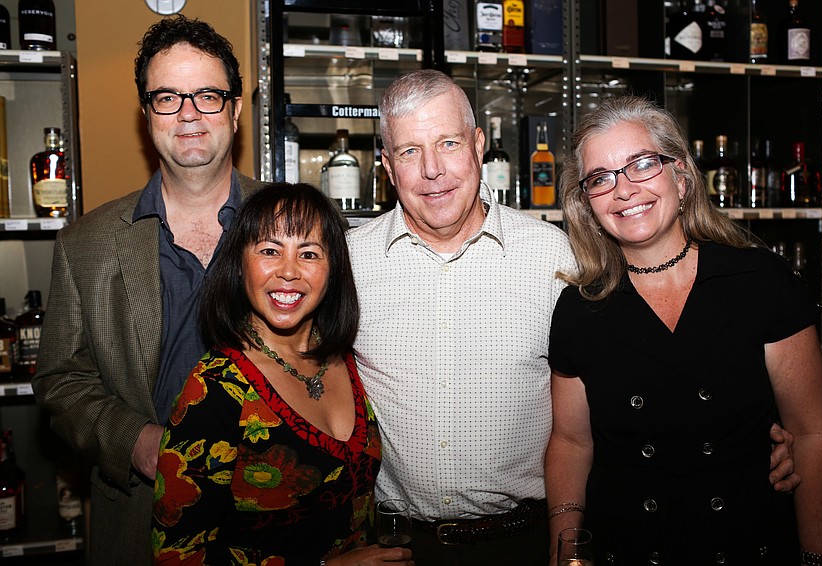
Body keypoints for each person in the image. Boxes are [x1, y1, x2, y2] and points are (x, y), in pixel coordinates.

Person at [545, 95, 822, 565]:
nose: (623, 190)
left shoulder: (758, 280)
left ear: (680, 177)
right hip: (632, 546)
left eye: (642, 164)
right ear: (586, 204)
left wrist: (821, 559)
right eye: (601, 178)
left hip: (748, 541)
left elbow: (811, 432)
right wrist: (566, 549)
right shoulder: (580, 308)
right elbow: (571, 442)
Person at [31, 15, 262, 564]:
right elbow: (60, 382)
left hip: (276, 519)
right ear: (146, 115)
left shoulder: (295, 226)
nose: (188, 115)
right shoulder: (85, 243)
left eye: (208, 95)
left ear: (234, 110)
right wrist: (134, 441)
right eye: (167, 97)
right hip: (141, 526)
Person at [346, 68, 575, 564]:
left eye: (448, 142)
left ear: (477, 144)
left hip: (522, 545)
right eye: (410, 151)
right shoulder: (348, 263)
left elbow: (598, 407)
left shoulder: (550, 257)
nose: (432, 169)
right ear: (387, 166)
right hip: (394, 549)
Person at [151, 182, 410, 565]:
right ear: (240, 264)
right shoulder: (215, 389)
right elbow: (176, 557)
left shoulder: (349, 360)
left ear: (332, 269)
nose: (289, 271)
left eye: (309, 253)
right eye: (270, 251)